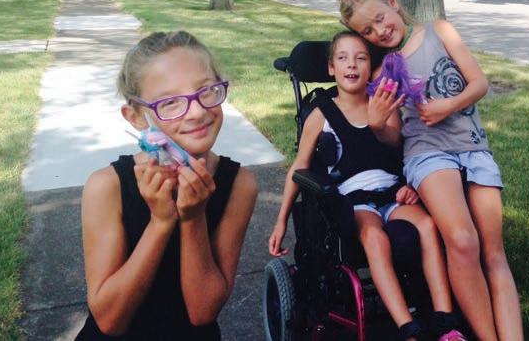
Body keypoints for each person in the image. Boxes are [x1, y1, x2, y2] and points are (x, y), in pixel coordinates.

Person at [339, 0, 524, 341]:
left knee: (493, 252)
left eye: (379, 18)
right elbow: (395, 138)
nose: (379, 31)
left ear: (393, 3)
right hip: (427, 153)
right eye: (368, 31)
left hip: (473, 146)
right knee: (462, 241)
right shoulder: (383, 73)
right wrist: (378, 124)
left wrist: (447, 105)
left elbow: (479, 84)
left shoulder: (439, 30)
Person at [269, 31, 466, 341]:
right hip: (354, 200)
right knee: (374, 238)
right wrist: (281, 221)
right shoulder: (320, 114)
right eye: (343, 58)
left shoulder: (384, 103)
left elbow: (400, 148)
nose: (352, 64)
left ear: (370, 66)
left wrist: (411, 183)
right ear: (331, 68)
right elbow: (299, 167)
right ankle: (408, 328)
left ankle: (446, 323)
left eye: (360, 58)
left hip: (393, 191)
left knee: (427, 226)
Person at [76, 31, 258, 340]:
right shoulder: (106, 187)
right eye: (170, 103)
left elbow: (203, 312)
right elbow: (109, 321)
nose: (197, 111)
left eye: (206, 91)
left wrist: (193, 217)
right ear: (136, 116)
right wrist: (160, 222)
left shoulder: (240, 185)